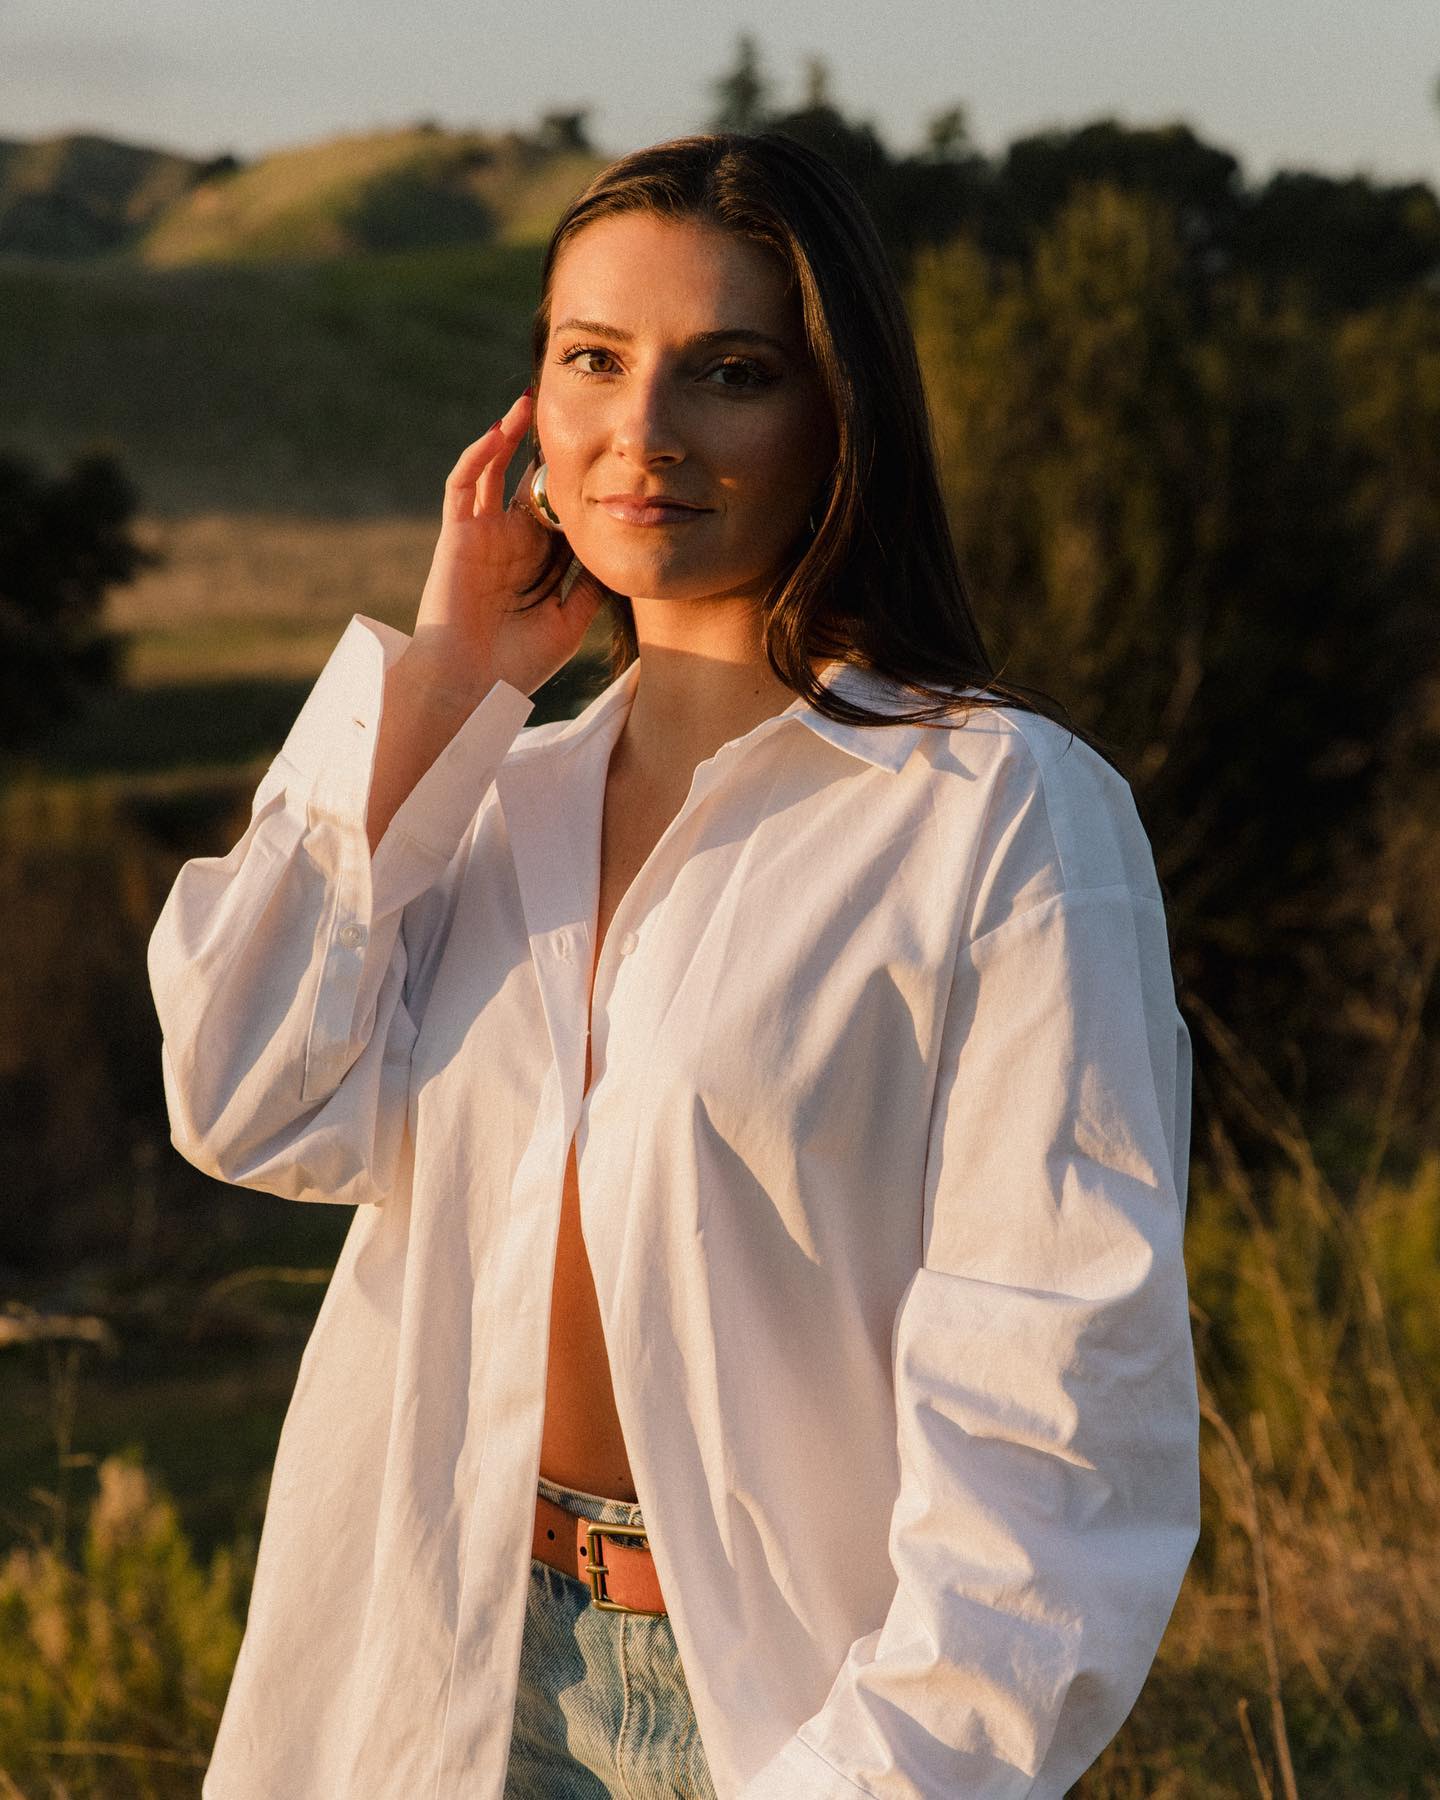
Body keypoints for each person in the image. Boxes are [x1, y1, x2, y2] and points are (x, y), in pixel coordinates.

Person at [148, 131, 1200, 1800]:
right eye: (594, 359)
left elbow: (1062, 1424)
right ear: (532, 410)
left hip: (786, 1709)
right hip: (442, 1660)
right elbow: (242, 1096)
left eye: (731, 372)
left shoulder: (999, 814)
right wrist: (448, 677)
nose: (644, 431)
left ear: (839, 417)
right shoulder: (496, 798)